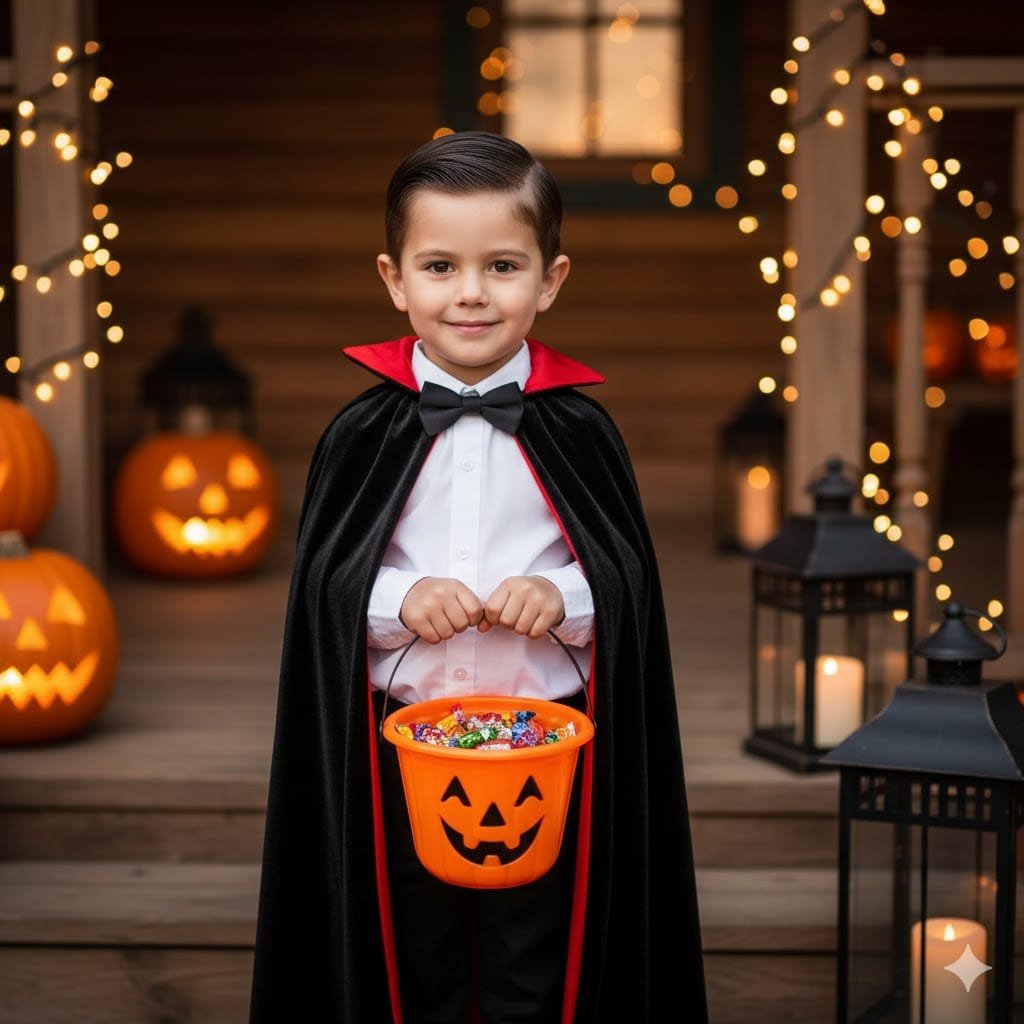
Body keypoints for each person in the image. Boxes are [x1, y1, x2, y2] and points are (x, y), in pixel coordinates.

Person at [249, 130, 707, 1023]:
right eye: (439, 266)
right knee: (405, 952)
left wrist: (566, 596)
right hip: (394, 752)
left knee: (535, 966)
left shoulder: (584, 433)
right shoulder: (357, 435)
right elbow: (326, 587)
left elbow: (625, 586)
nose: (470, 293)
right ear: (393, 279)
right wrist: (397, 599)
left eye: (502, 266)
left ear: (551, 279)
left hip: (553, 756)